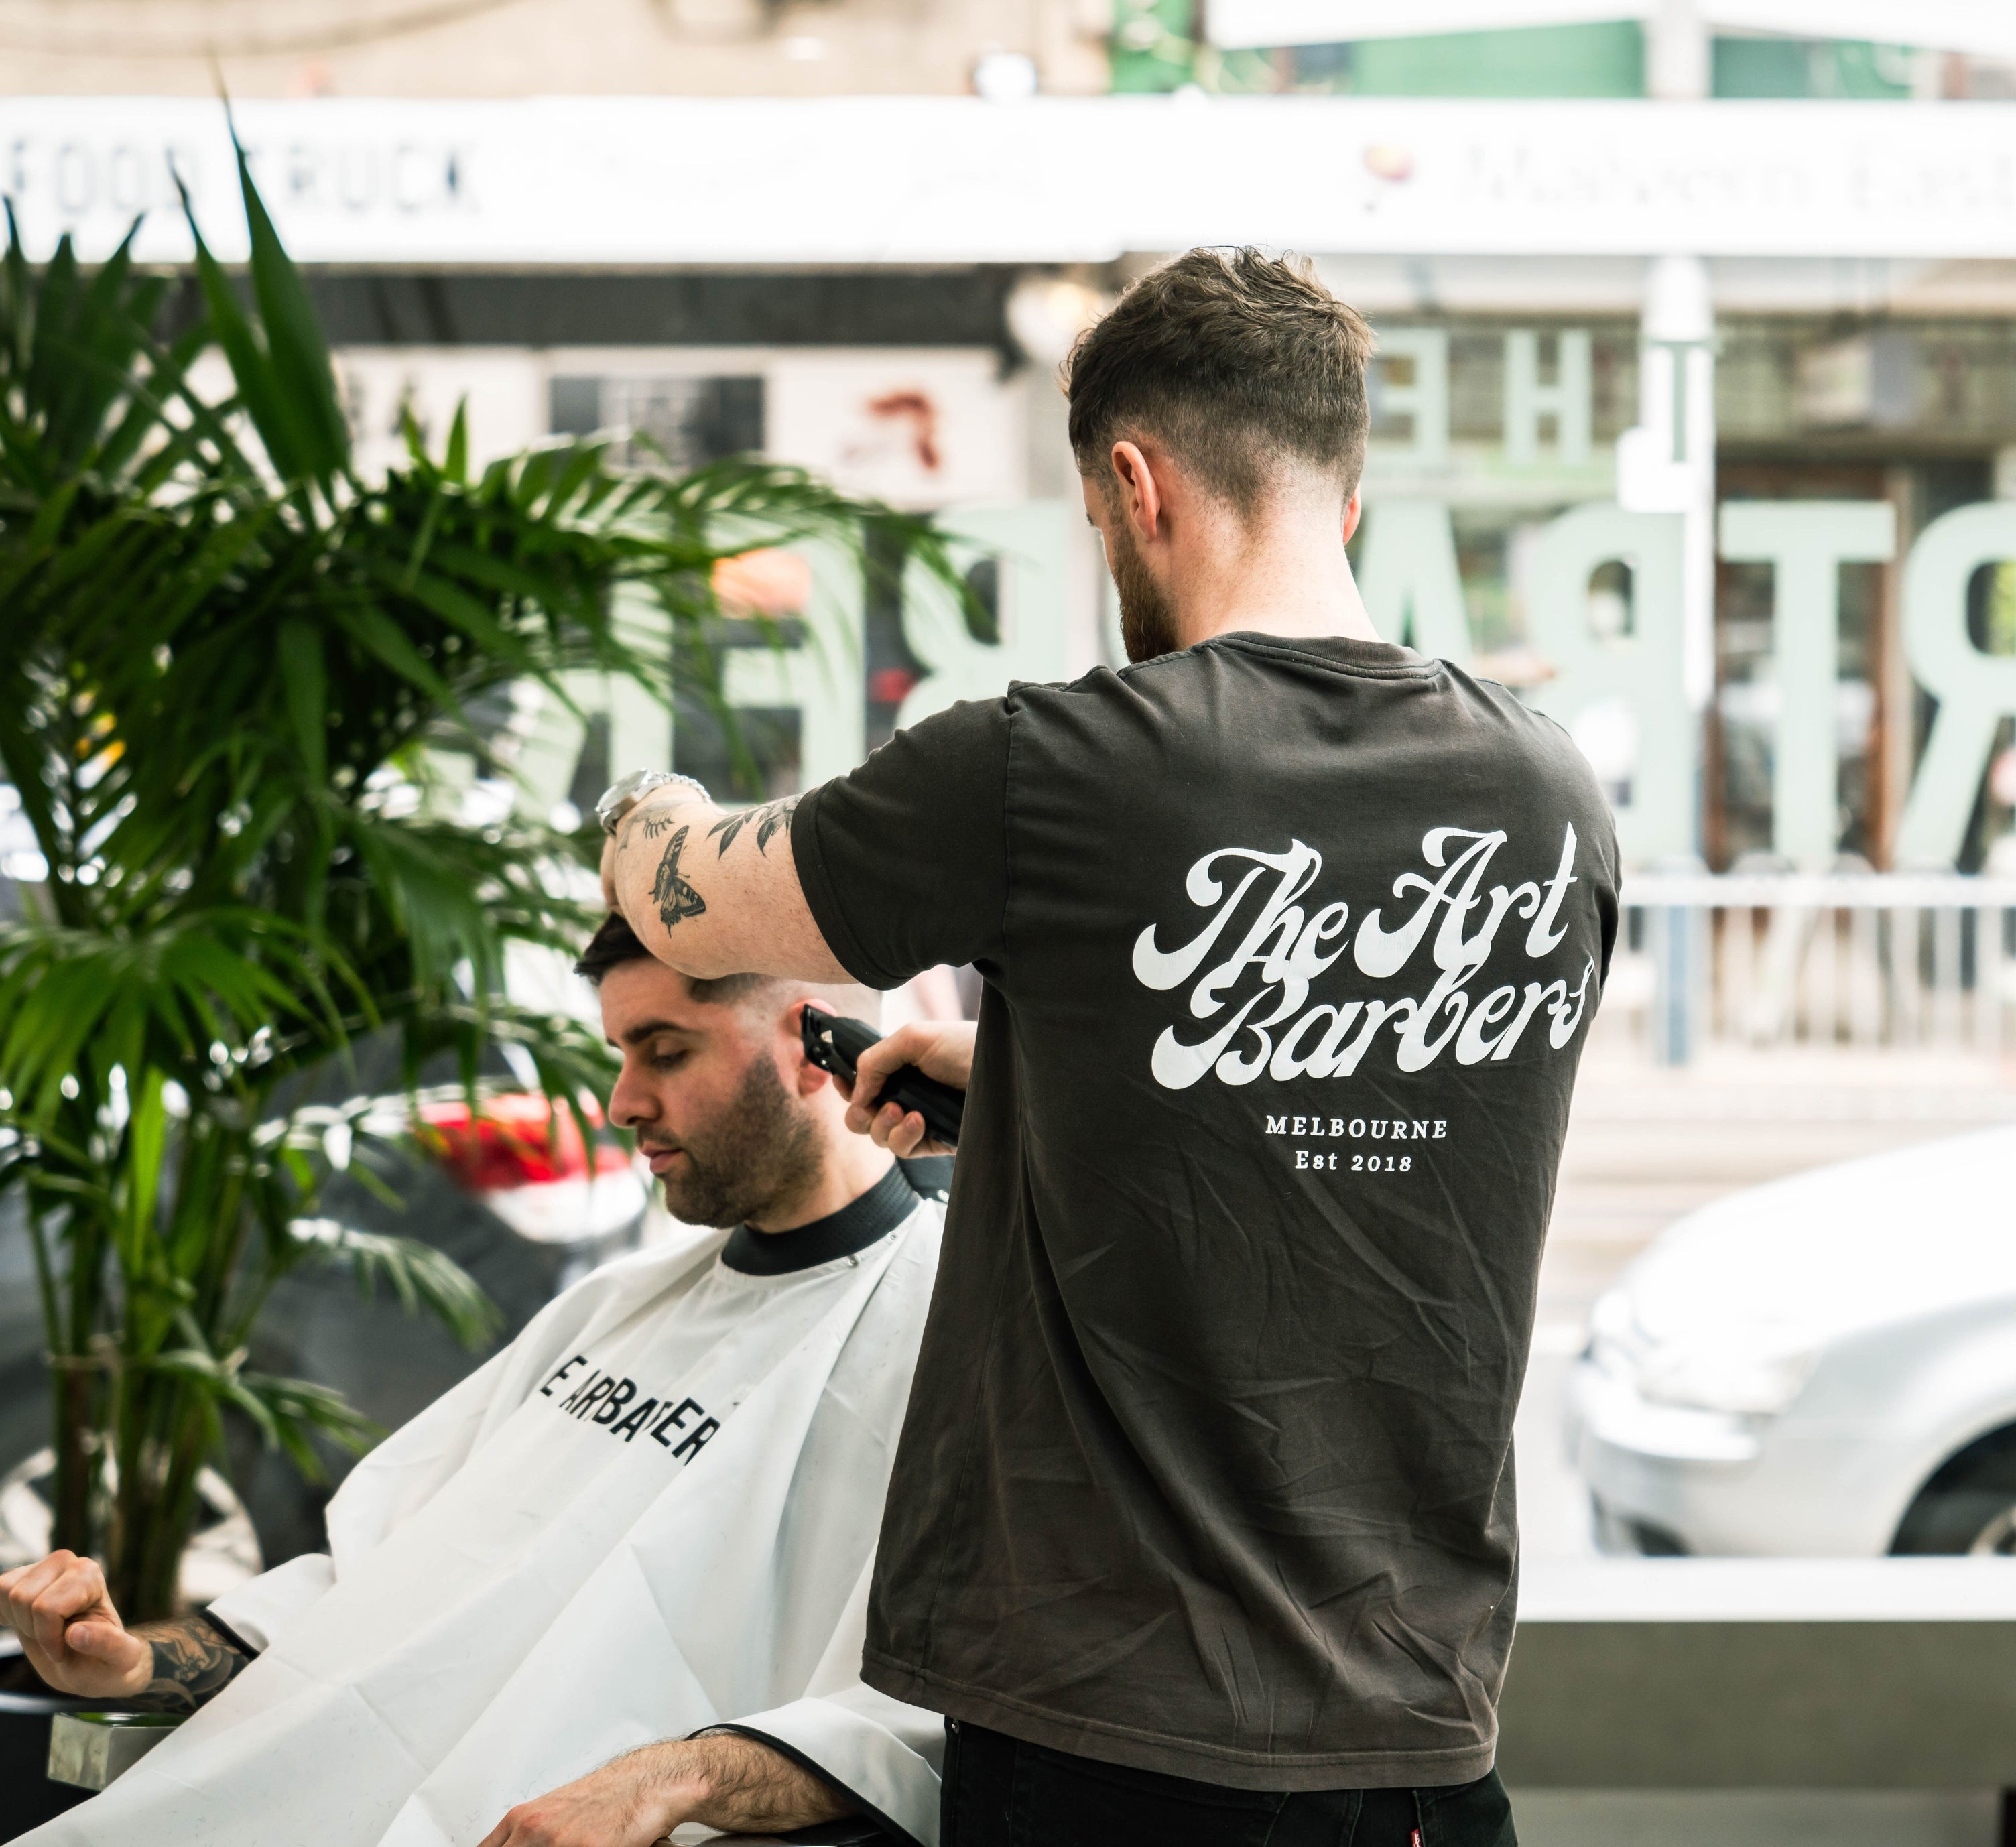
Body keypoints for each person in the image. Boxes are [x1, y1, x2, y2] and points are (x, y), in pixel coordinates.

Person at [594, 247, 1619, 1846]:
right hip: (1421, 1756)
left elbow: (697, 905)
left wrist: (635, 810)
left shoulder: (1055, 771)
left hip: (1116, 1759)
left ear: (1135, 484)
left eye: (1094, 522)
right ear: (1343, 496)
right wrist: (1028, 1087)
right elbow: (1367, 1142)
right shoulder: (1552, 800)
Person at [0, 917, 946, 1847]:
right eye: (620, 1053)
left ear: (822, 1049)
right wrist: (138, 1664)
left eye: (664, 1053)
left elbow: (933, 1715)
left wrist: (677, 1773)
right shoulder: (609, 1309)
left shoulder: (950, 1334)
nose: (622, 1103)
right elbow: (372, 1570)